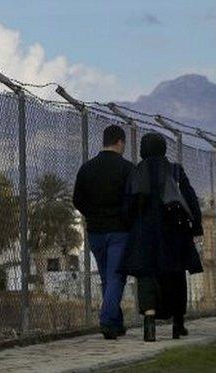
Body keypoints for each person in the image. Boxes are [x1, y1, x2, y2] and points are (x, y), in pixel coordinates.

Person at [120, 132, 204, 342]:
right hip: (173, 233)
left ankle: (149, 324)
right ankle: (178, 323)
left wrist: (129, 225)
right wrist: (196, 225)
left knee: (146, 275)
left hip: (144, 233)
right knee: (176, 275)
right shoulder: (175, 170)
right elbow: (190, 198)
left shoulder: (137, 171)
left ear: (143, 149)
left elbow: (128, 204)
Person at [73, 124, 134, 339]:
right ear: (120, 142)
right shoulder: (128, 169)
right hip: (119, 231)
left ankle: (116, 322)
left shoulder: (87, 168)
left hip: (96, 231)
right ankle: (107, 321)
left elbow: (77, 200)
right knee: (116, 276)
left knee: (108, 277)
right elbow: (134, 200)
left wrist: (93, 214)